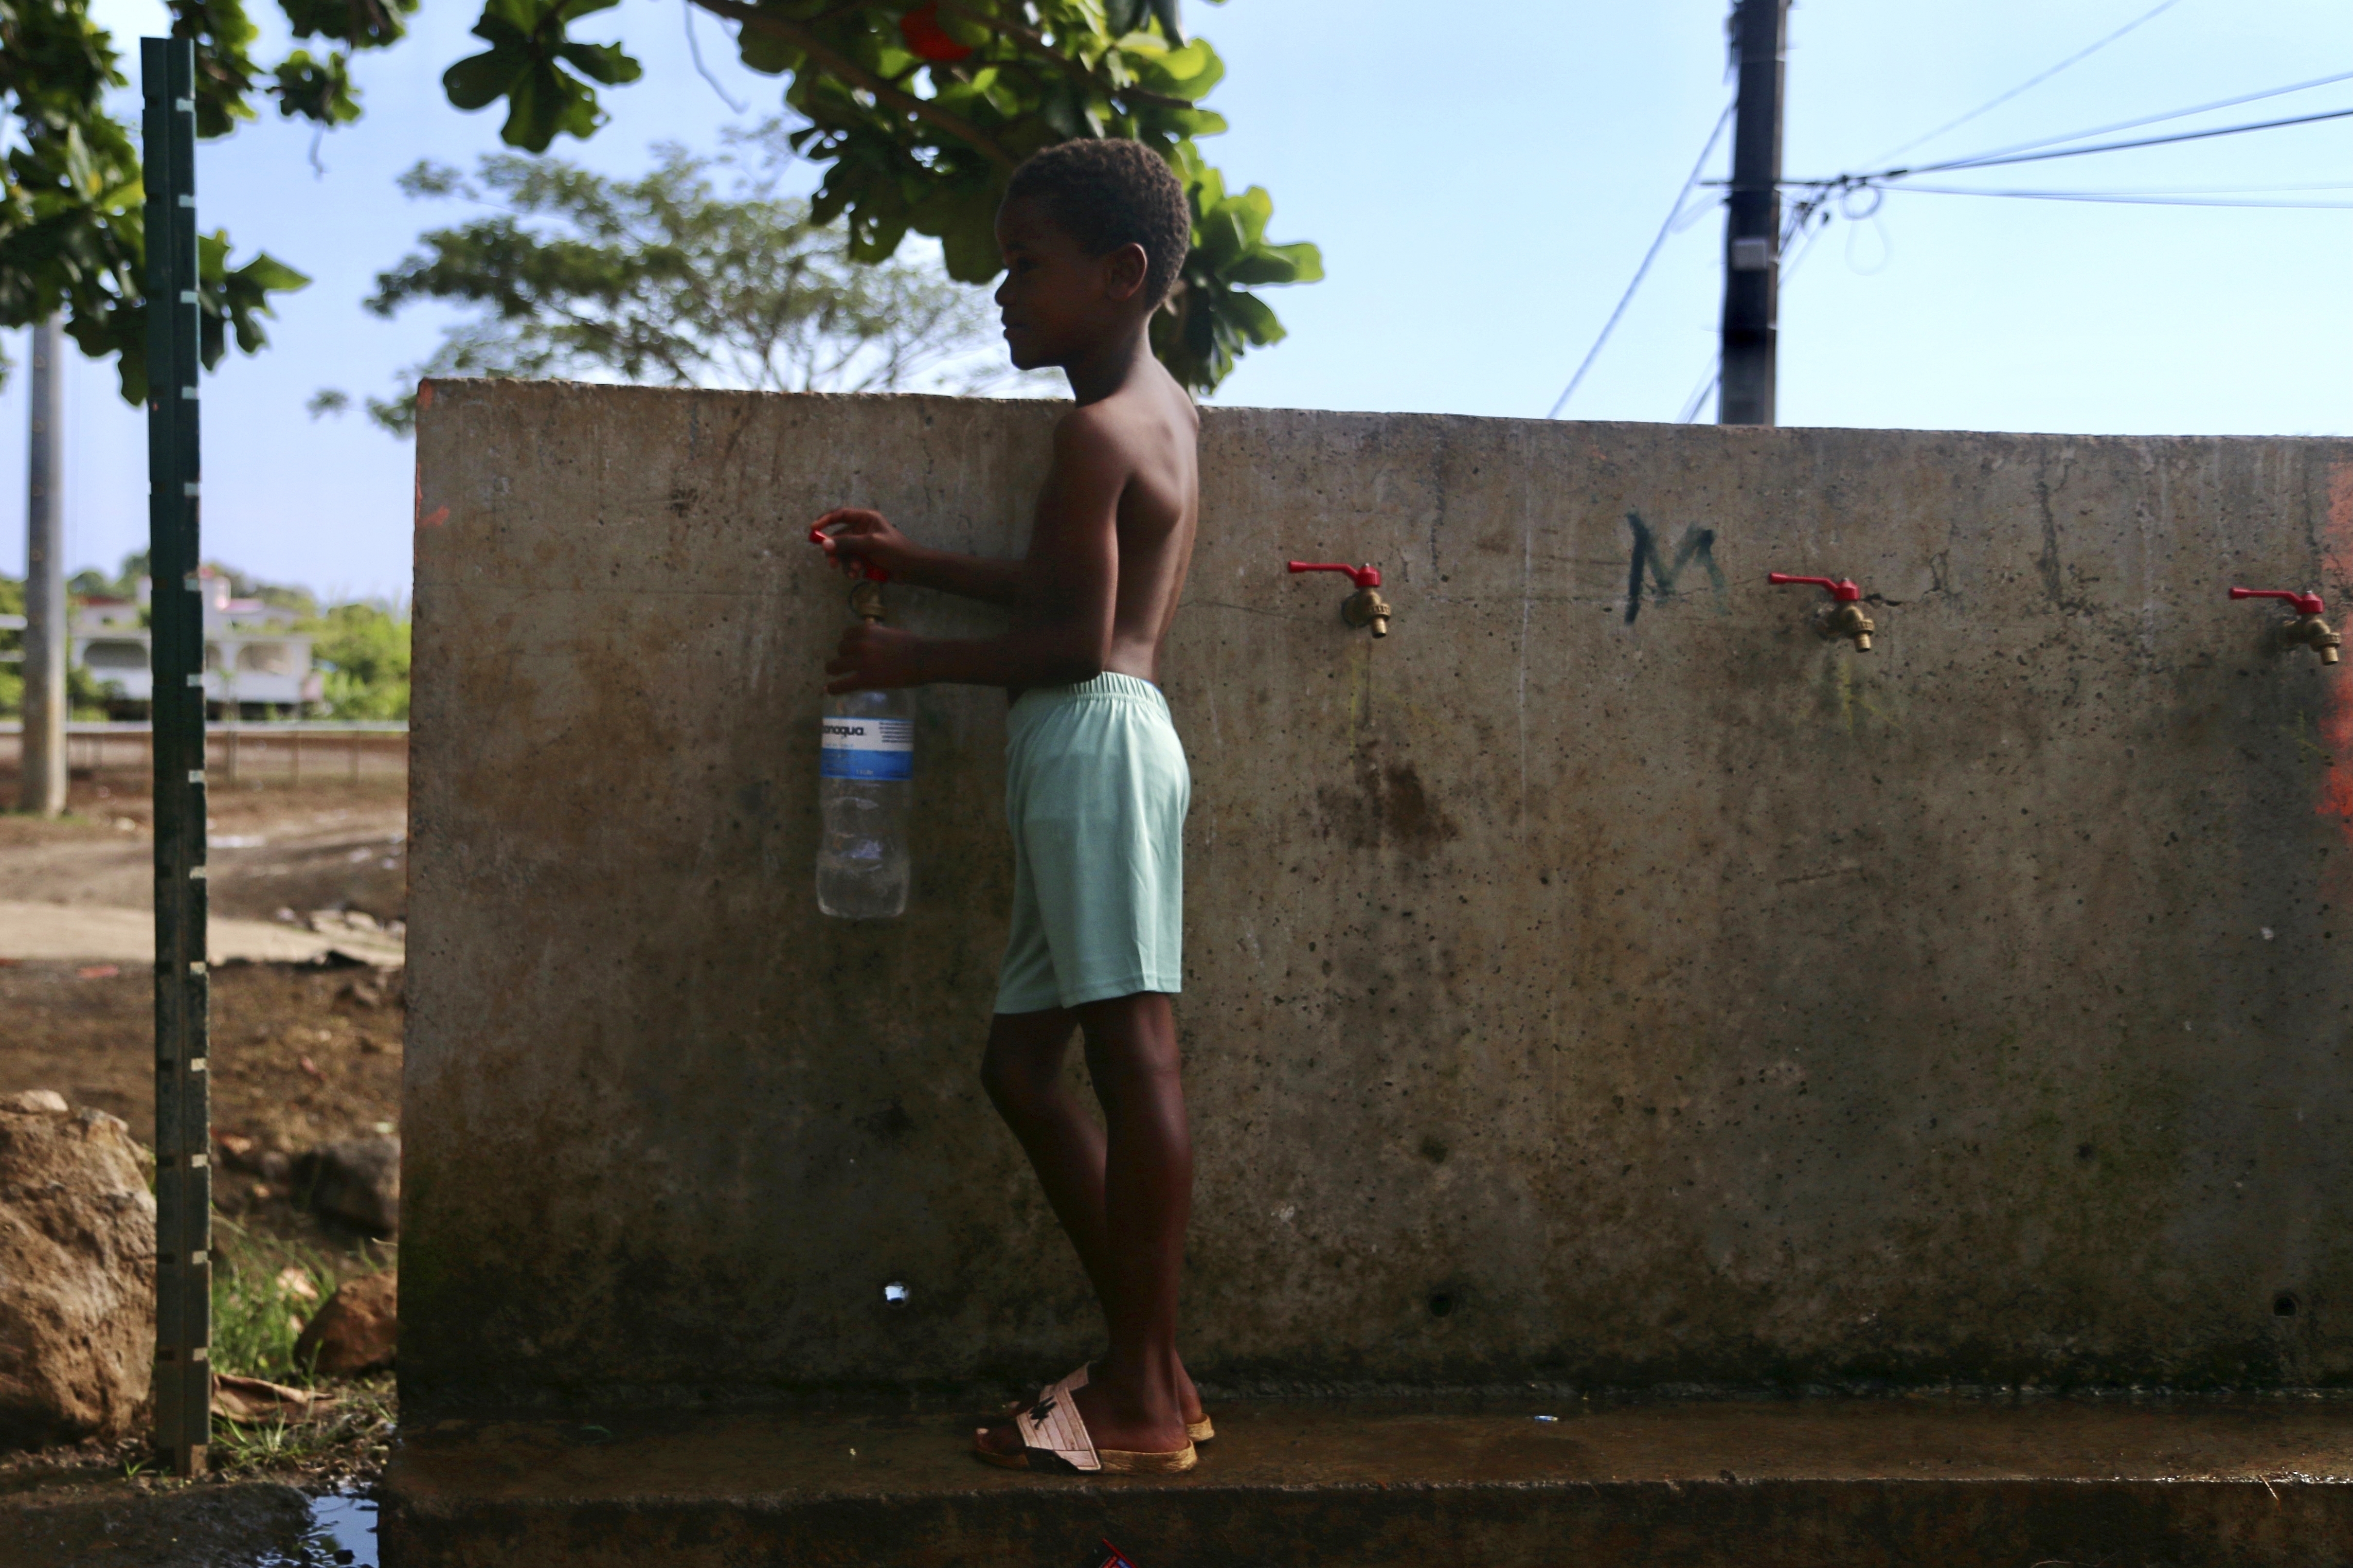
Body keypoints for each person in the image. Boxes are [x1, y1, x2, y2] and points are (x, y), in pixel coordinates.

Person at [811, 138, 1205, 1476]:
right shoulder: (1163, 411)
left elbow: (1073, 646)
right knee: (1021, 1067)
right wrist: (916, 565)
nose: (1000, 293)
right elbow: (1063, 598)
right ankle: (1151, 1359)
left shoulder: (1097, 431)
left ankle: (1144, 1395)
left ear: (1122, 272)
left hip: (1092, 741)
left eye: (1025, 266)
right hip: (1093, 749)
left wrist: (907, 660)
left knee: (1131, 1048)